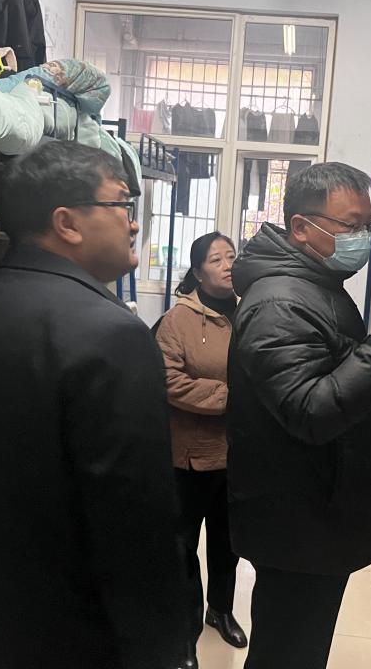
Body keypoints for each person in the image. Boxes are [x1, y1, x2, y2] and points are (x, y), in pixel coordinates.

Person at [0, 141, 187, 669]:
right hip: (75, 635)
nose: (134, 223)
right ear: (66, 222)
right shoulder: (112, 335)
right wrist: (168, 651)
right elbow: (136, 524)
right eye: (123, 204)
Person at [227, 162, 371, 669]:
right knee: (287, 654)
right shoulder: (281, 303)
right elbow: (310, 411)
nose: (361, 238)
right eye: (350, 225)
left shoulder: (316, 286)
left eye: (366, 225)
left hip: (314, 513)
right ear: (301, 227)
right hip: (298, 521)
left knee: (297, 650)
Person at [155, 232, 246, 668]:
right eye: (216, 259)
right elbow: (168, 380)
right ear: (197, 271)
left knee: (228, 543)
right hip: (188, 456)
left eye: (231, 256)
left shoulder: (251, 312)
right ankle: (185, 634)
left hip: (237, 454)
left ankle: (221, 610)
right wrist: (232, 397)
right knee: (184, 549)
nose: (227, 265)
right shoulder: (178, 320)